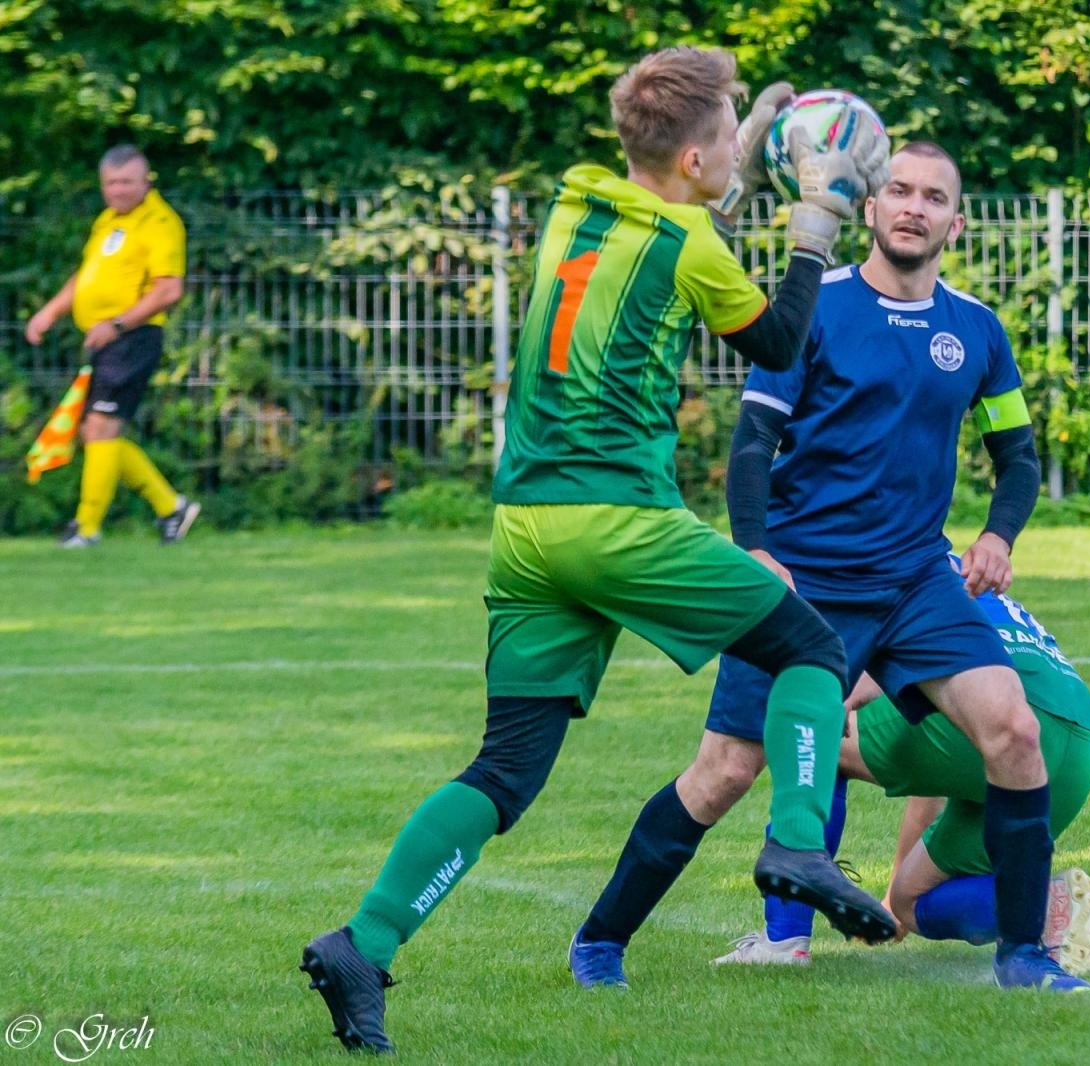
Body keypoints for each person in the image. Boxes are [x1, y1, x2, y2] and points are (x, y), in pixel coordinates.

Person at [297, 47, 892, 1053]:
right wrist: (817, 221)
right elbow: (783, 338)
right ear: (697, 157)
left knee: (506, 771)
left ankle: (364, 943)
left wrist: (737, 141)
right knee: (810, 651)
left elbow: (683, 213)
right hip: (616, 522)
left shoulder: (577, 208)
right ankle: (797, 841)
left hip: (525, 533)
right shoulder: (692, 246)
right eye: (727, 134)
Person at [572, 142, 1082, 992]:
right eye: (899, 192)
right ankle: (600, 940)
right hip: (807, 581)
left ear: (956, 223)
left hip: (920, 581)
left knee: (1015, 730)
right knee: (726, 771)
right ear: (871, 210)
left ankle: (1025, 957)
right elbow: (753, 445)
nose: (914, 207)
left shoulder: (976, 330)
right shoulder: (813, 309)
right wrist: (757, 550)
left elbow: (1018, 456)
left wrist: (998, 535)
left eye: (934, 197)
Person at [716, 564, 1090, 985]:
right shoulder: (946, 562)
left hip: (1007, 717)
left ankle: (783, 940)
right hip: (1078, 743)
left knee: (816, 736)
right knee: (910, 902)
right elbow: (934, 765)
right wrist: (893, 889)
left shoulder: (880, 558)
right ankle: (1045, 905)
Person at [25, 145, 199, 547]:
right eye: (111, 183)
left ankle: (86, 528)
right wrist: (49, 312)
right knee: (95, 431)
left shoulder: (159, 222)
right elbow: (86, 276)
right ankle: (170, 506)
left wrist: (118, 325)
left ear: (146, 181)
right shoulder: (108, 221)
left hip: (132, 338)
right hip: (107, 339)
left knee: (102, 427)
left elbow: (169, 289)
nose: (119, 190)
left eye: (127, 181)